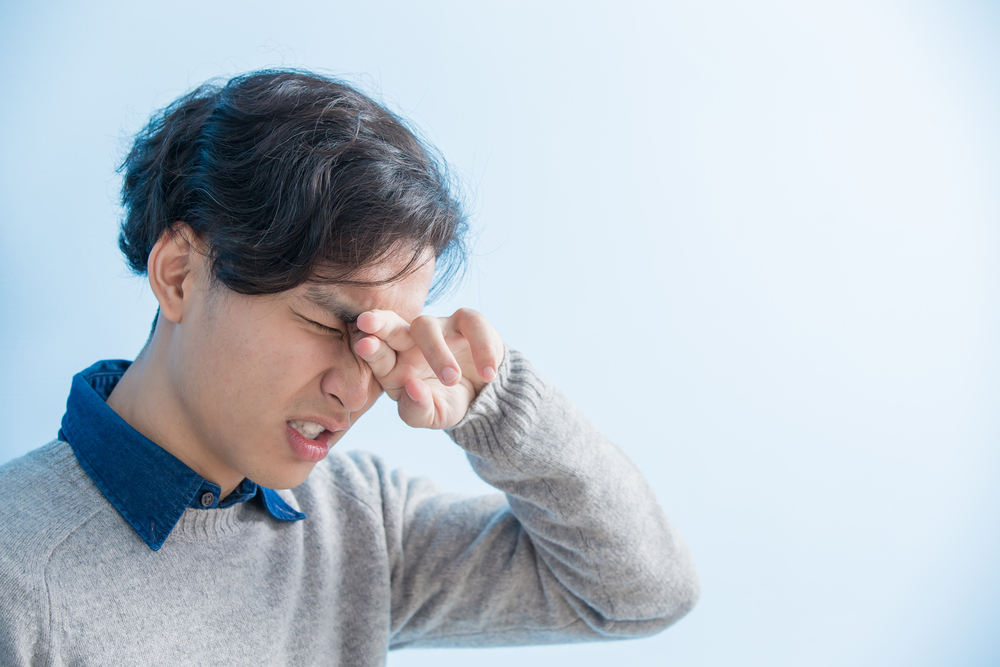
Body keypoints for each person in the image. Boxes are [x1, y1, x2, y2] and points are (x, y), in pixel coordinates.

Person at [0, 69, 698, 665]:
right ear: (180, 274)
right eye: (329, 322)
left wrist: (496, 406)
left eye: (385, 341)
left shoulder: (356, 518)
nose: (358, 387)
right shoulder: (17, 569)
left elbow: (641, 593)